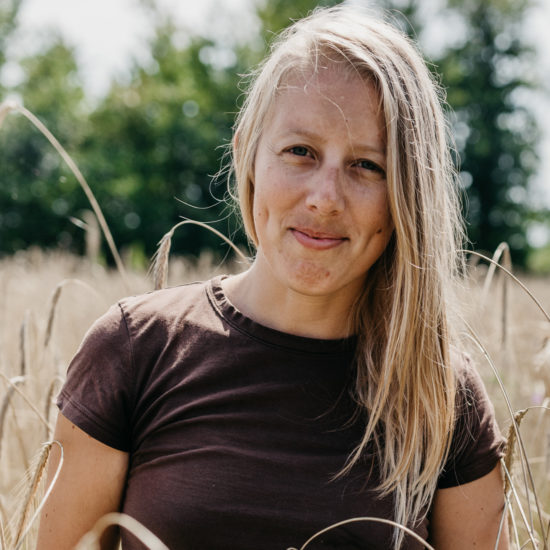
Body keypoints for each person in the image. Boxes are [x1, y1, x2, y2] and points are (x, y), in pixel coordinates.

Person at [36, 6, 508, 550]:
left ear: (408, 195)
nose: (325, 198)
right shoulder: (135, 351)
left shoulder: (443, 397)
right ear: (248, 156)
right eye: (300, 151)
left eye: (367, 166)